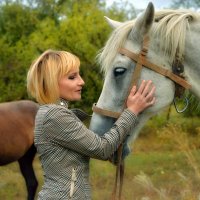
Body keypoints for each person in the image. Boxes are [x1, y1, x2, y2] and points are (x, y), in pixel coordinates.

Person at [27, 49, 156, 200]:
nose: (81, 81)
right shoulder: (54, 115)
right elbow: (102, 149)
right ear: (51, 81)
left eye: (78, 75)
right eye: (72, 77)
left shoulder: (51, 113)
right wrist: (132, 111)